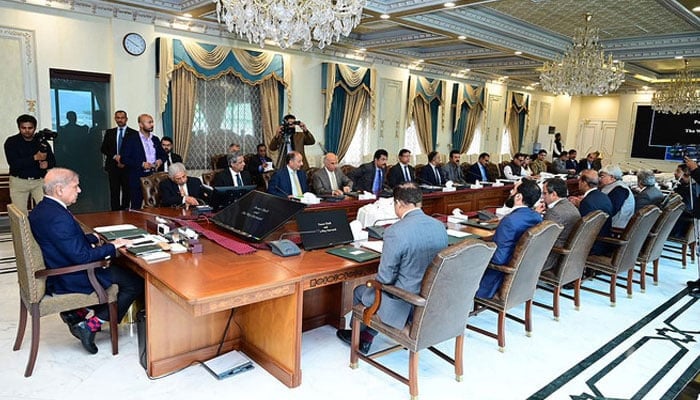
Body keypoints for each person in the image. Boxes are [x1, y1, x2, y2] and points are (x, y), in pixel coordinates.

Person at [28, 168, 143, 354]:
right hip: (72, 275)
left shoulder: (43, 209)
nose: (79, 190)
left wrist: (92, 238)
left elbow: (63, 240)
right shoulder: (58, 217)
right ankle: (91, 325)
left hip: (60, 266)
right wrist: (113, 246)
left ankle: (77, 312)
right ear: (59, 189)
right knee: (135, 282)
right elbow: (81, 257)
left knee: (119, 271)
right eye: (75, 186)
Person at [335, 182, 448, 353]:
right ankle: (367, 335)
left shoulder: (395, 231)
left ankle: (359, 337)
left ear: (399, 203)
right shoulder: (439, 226)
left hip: (405, 303)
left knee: (360, 291)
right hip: (431, 299)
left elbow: (385, 279)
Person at [476, 179, 543, 299]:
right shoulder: (537, 217)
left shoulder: (509, 221)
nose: (510, 192)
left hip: (498, 279)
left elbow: (498, 259)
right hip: (523, 275)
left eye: (513, 190)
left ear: (518, 197)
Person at [4, 114, 56, 214]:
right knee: (20, 214)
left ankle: (41, 230)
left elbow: (52, 161)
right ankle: (25, 231)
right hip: (19, 181)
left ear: (35, 128)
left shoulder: (41, 141)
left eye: (30, 128)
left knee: (46, 210)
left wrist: (47, 164)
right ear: (19, 127)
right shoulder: (11, 142)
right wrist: (34, 158)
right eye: (24, 128)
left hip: (39, 181)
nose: (27, 130)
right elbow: (14, 164)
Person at [120, 114, 166, 210]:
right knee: (136, 206)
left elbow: (163, 155)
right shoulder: (131, 139)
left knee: (156, 205)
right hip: (137, 177)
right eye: (149, 122)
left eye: (152, 122)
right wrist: (141, 164)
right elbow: (124, 159)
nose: (152, 124)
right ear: (141, 124)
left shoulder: (155, 139)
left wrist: (159, 161)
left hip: (154, 177)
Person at [540, 178, 580, 271]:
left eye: (545, 193)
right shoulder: (571, 206)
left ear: (553, 194)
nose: (543, 197)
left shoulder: (554, 212)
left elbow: (542, 239)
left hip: (552, 258)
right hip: (566, 255)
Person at [571, 169, 613, 255]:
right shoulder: (604, 197)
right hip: (604, 242)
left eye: (579, 181)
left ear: (584, 183)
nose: (578, 183)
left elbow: (582, 231)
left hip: (591, 247)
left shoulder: (587, 202)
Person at [101, 110, 137, 211]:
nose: (120, 120)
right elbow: (103, 148)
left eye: (122, 118)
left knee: (127, 191)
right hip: (113, 167)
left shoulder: (134, 134)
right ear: (115, 119)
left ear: (126, 119)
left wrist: (124, 160)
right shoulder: (110, 132)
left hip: (128, 167)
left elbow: (136, 151)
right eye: (118, 118)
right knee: (114, 191)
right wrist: (114, 156)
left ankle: (125, 210)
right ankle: (115, 212)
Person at [598, 165, 635, 229]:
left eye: (602, 176)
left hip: (616, 227)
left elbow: (610, 211)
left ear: (612, 177)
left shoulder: (619, 190)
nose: (599, 179)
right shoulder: (615, 186)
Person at [671, 163, 699, 238]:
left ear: (686, 173)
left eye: (677, 171)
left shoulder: (688, 190)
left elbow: (685, 208)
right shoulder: (694, 187)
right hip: (686, 225)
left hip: (679, 228)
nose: (675, 173)